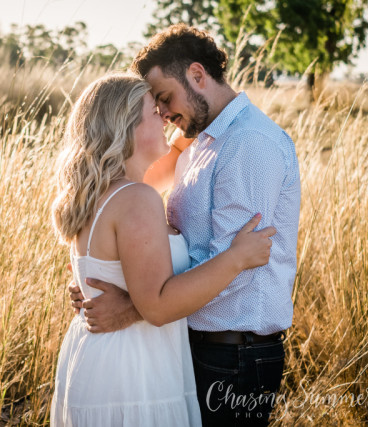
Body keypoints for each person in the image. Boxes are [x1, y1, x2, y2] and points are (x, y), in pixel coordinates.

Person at [68, 25, 301, 425]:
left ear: (197, 75)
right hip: (196, 346)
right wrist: (102, 274)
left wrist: (134, 307)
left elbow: (236, 269)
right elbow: (120, 205)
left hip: (234, 355)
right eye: (155, 106)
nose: (163, 113)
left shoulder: (248, 143)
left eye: (164, 98)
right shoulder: (199, 143)